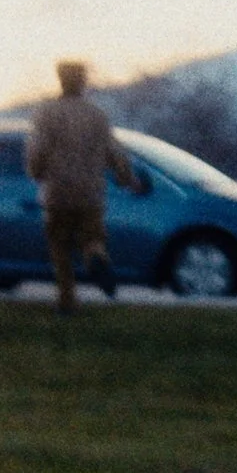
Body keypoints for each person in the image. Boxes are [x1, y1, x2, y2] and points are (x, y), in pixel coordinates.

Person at [25, 59, 146, 314]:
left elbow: (37, 151)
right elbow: (114, 153)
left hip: (57, 193)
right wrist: (127, 179)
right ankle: (96, 257)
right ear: (83, 82)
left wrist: (36, 172)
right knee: (92, 238)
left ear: (60, 80)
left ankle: (67, 302)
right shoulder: (97, 115)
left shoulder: (46, 114)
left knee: (60, 249)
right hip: (91, 193)